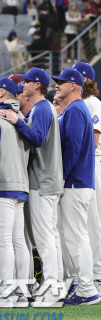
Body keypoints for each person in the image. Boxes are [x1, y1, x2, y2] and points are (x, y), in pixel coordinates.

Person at [0, 67, 64, 305]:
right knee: (50, 237)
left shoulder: (44, 107)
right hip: (46, 179)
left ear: (37, 85)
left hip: (42, 180)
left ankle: (52, 289)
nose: (22, 85)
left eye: (26, 81)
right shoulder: (42, 108)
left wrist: (17, 121)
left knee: (45, 238)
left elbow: (36, 139)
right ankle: (55, 285)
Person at [0, 77, 31, 308]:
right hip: (21, 186)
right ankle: (22, 292)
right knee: (18, 241)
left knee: (3, 243)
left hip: (1, 184)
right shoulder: (21, 118)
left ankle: (6, 294)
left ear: (2, 93)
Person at [52, 69, 101, 306]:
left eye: (61, 82)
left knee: (76, 237)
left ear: (73, 85)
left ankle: (87, 288)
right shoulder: (78, 108)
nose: (57, 85)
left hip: (74, 182)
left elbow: (71, 145)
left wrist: (61, 176)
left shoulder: (74, 109)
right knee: (78, 235)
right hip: (80, 181)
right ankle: (86, 286)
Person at [73, 62, 101, 289]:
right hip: (86, 166)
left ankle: (97, 274)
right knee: (84, 224)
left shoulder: (92, 104)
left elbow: (94, 141)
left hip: (93, 165)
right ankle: (87, 272)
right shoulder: (80, 104)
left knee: (93, 222)